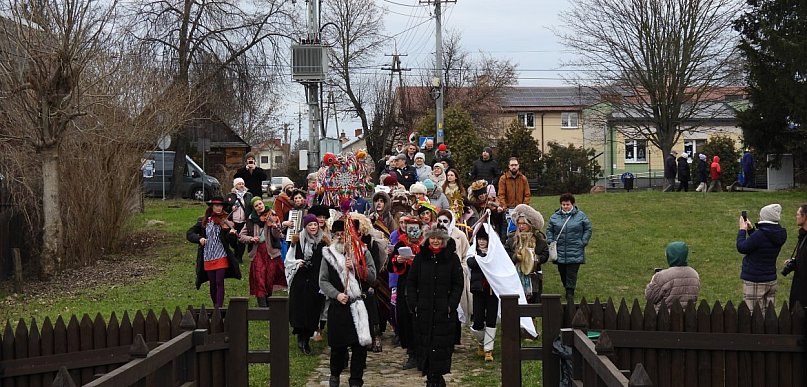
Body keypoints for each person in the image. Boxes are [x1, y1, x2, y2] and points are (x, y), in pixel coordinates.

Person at [319, 219, 376, 387]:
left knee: (360, 347)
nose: (340, 238)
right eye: (337, 235)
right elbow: (323, 281)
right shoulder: (328, 255)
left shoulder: (363, 252)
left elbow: (373, 278)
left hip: (360, 305)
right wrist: (336, 295)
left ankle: (356, 381)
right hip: (340, 306)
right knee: (338, 347)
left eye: (343, 234)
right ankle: (335, 375)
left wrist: (356, 268)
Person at [406, 226, 464, 387]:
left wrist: (451, 305)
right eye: (433, 238)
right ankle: (433, 379)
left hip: (443, 312)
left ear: (444, 240)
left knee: (440, 348)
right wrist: (414, 304)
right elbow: (411, 282)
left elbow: (458, 284)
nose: (436, 241)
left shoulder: (452, 259)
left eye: (439, 238)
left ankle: (436, 378)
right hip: (423, 311)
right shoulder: (420, 258)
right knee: (426, 346)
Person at [186, 197, 242, 308]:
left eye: (221, 206)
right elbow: (189, 233)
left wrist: (231, 234)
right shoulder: (203, 221)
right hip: (208, 255)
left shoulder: (225, 220)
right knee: (212, 283)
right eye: (216, 206)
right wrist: (199, 239)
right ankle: (215, 305)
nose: (218, 208)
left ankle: (219, 307)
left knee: (219, 281)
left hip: (221, 254)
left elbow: (230, 242)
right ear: (212, 207)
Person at [285, 214, 328, 355]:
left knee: (313, 310)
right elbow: (289, 259)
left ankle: (308, 336)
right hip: (301, 280)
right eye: (310, 225)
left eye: (315, 224)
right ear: (306, 227)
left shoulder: (324, 242)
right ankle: (301, 339)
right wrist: (299, 263)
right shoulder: (298, 241)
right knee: (300, 309)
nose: (313, 227)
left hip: (316, 280)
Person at [388, 216, 425, 369]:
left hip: (423, 286)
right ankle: (411, 353)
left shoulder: (426, 244)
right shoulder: (401, 244)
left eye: (415, 229)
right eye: (409, 229)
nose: (412, 232)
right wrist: (398, 260)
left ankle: (423, 353)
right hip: (405, 286)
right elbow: (390, 266)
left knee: (421, 320)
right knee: (406, 319)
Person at [737, 204, 787, 312]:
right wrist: (751, 231)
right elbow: (763, 244)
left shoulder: (760, 234)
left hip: (755, 280)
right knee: (768, 315)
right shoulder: (780, 234)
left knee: (752, 316)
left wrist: (742, 230)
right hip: (771, 279)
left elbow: (742, 247)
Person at [240, 197, 287, 307]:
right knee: (259, 276)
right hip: (258, 252)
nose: (259, 206)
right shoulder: (251, 220)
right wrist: (251, 239)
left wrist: (275, 227)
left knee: (269, 277)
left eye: (260, 204)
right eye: (256, 206)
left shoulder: (272, 216)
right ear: (254, 208)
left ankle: (268, 301)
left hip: (271, 251)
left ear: (263, 203)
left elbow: (277, 235)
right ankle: (262, 305)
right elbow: (241, 236)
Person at [546, 193, 592, 305]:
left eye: (567, 204)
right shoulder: (555, 216)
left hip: (575, 248)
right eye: (563, 204)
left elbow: (588, 228)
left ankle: (570, 291)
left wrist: (583, 241)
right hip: (560, 249)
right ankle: (566, 286)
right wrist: (551, 240)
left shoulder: (581, 216)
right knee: (562, 271)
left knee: (572, 272)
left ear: (572, 204)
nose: (565, 206)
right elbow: (549, 230)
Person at [505, 204, 548, 304]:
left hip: (534, 275)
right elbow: (507, 253)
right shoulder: (512, 238)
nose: (521, 226)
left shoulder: (539, 238)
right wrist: (515, 257)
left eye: (524, 224)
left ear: (530, 224)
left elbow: (545, 254)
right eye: (519, 223)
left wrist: (535, 259)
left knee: (533, 303)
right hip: (516, 274)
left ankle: (532, 319)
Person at [436, 209, 472, 329]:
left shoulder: (459, 235)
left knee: (456, 304)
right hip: (438, 274)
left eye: (445, 221)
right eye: (439, 221)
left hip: (455, 274)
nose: (442, 224)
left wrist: (462, 268)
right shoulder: (434, 235)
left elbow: (467, 254)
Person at [467, 227, 498, 361]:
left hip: (492, 291)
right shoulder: (472, 252)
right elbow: (471, 263)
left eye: (484, 239)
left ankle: (488, 350)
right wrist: (483, 259)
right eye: (479, 239)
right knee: (478, 320)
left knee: (491, 319)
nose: (481, 242)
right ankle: (481, 342)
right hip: (478, 290)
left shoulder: (495, 253)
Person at [645, 241, 700, 310]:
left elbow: (650, 297)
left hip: (664, 317)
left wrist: (653, 279)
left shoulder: (662, 276)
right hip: (687, 317)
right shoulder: (694, 274)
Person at [497, 157, 530, 239]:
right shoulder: (503, 179)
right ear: (509, 166)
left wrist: (524, 207)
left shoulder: (523, 179)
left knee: (521, 230)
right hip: (508, 209)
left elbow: (527, 194)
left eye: (515, 165)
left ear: (518, 166)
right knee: (508, 232)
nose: (514, 167)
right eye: (512, 165)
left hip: (520, 209)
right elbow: (501, 194)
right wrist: (504, 206)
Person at [784, 204, 807, 308]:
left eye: (798, 214)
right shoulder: (803, 236)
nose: (796, 217)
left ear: (805, 216)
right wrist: (795, 261)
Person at [226, 177, 253, 263]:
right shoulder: (230, 196)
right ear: (235, 185)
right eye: (239, 184)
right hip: (233, 222)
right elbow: (225, 208)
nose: (241, 185)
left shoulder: (249, 195)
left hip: (245, 221)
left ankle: (239, 257)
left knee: (241, 239)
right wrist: (231, 208)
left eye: (242, 184)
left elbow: (251, 207)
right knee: (232, 238)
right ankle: (236, 251)